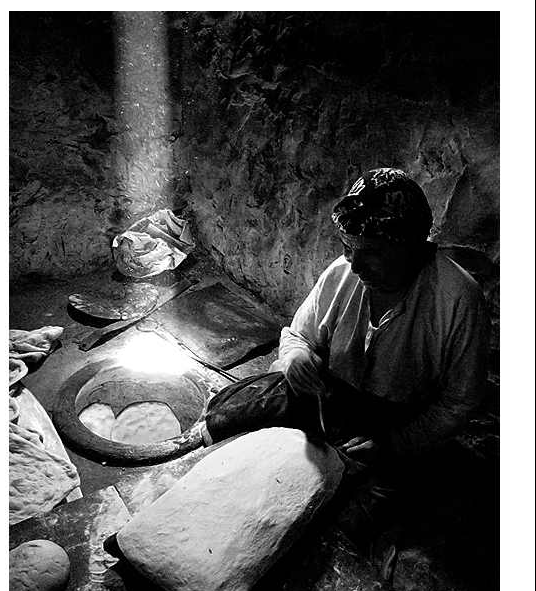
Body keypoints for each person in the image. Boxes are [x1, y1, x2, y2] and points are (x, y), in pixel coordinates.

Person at [205, 167, 491, 547]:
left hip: (395, 423)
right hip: (329, 399)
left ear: (410, 244)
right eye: (347, 247)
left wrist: (394, 444)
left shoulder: (458, 300)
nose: (355, 265)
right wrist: (295, 358)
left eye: (370, 252)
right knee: (238, 409)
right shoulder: (343, 273)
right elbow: (296, 335)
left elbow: (460, 402)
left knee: (346, 522)